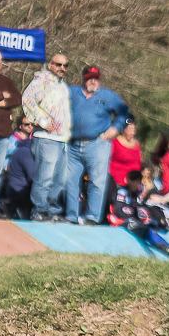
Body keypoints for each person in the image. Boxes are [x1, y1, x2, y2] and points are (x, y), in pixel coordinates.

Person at [64, 65, 130, 225]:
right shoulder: (72, 92)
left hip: (97, 143)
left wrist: (116, 128)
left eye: (95, 78)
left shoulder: (108, 96)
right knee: (70, 180)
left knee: (97, 181)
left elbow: (124, 113)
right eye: (89, 77)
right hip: (73, 143)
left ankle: (92, 217)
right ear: (83, 78)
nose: (92, 81)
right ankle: (71, 216)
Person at [22, 52, 72, 221]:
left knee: (60, 179)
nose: (62, 68)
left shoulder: (63, 86)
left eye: (65, 66)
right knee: (45, 177)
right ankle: (39, 210)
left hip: (62, 139)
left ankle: (52, 210)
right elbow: (27, 99)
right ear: (50, 64)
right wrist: (42, 121)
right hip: (45, 138)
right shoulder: (41, 80)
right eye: (58, 64)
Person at [109, 170, 169, 259]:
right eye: (133, 179)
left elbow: (144, 208)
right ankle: (167, 250)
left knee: (151, 226)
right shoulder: (122, 191)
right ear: (128, 180)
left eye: (137, 180)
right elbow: (119, 209)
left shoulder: (137, 194)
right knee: (145, 228)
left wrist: (156, 219)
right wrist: (135, 214)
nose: (135, 183)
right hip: (122, 221)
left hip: (134, 221)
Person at [0, 48, 22, 217]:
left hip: (3, 134)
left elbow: (17, 98)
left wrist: (2, 98)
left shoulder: (7, 81)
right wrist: (2, 97)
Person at [0, 116, 36, 219]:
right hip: (12, 173)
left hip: (27, 171)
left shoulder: (32, 141)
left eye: (32, 124)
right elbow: (2, 157)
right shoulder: (11, 141)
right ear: (20, 126)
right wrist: (6, 166)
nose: (30, 126)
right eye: (27, 124)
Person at [108, 118, 143, 194]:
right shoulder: (115, 142)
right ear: (123, 129)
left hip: (134, 185)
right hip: (117, 184)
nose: (132, 132)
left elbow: (139, 162)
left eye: (134, 129)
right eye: (129, 129)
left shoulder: (137, 144)